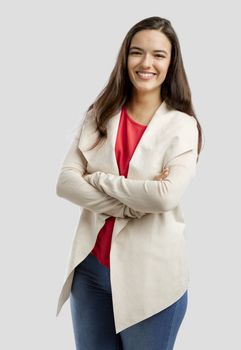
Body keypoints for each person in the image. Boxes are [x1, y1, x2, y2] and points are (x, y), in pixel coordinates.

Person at [56, 16, 203, 350]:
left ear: (171, 63)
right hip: (91, 272)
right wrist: (132, 204)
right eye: (137, 53)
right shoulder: (100, 113)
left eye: (158, 55)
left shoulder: (182, 126)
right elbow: (65, 182)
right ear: (125, 58)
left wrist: (97, 179)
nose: (146, 63)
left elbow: (165, 197)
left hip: (152, 280)